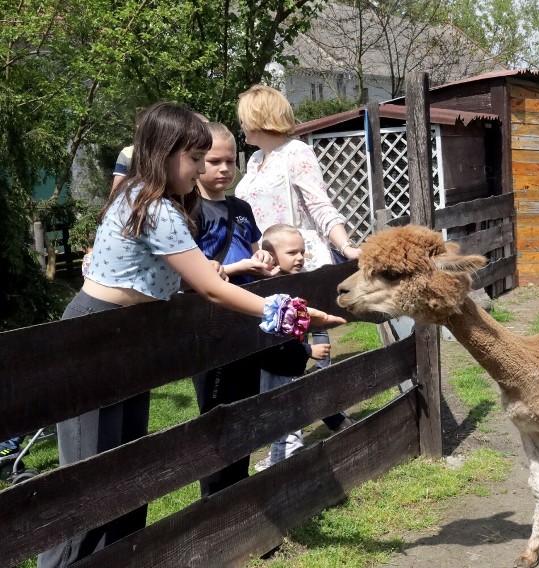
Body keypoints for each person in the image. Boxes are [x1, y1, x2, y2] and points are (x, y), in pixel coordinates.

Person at [38, 102, 345, 568]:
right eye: (195, 158)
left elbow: (187, 277)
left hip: (126, 339)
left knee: (128, 472)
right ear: (163, 152)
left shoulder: (156, 202)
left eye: (206, 159)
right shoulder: (152, 205)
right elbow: (209, 289)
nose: (203, 169)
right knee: (87, 487)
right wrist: (290, 315)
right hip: (94, 339)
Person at [235, 84, 359, 434]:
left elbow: (319, 204)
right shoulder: (256, 160)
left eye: (244, 118)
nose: (241, 126)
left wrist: (346, 246)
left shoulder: (297, 153)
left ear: (258, 117)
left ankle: (330, 419)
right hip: (266, 266)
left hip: (298, 262)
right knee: (280, 348)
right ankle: (293, 430)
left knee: (306, 341)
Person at [189, 122, 277, 496]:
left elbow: (258, 245)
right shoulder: (188, 210)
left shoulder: (241, 207)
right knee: (216, 414)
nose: (224, 169)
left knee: (245, 408)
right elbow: (196, 272)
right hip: (212, 325)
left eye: (230, 161)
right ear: (196, 162)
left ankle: (240, 492)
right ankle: (214, 499)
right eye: (214, 161)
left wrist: (264, 255)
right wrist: (239, 267)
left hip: (248, 319)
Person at [253, 224, 333, 470]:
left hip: (291, 363)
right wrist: (308, 351)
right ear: (270, 254)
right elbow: (273, 341)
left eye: (302, 251)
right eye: (292, 253)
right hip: (276, 367)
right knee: (284, 417)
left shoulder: (297, 281)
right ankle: (286, 467)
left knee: (290, 412)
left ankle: (282, 459)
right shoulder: (269, 290)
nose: (299, 257)